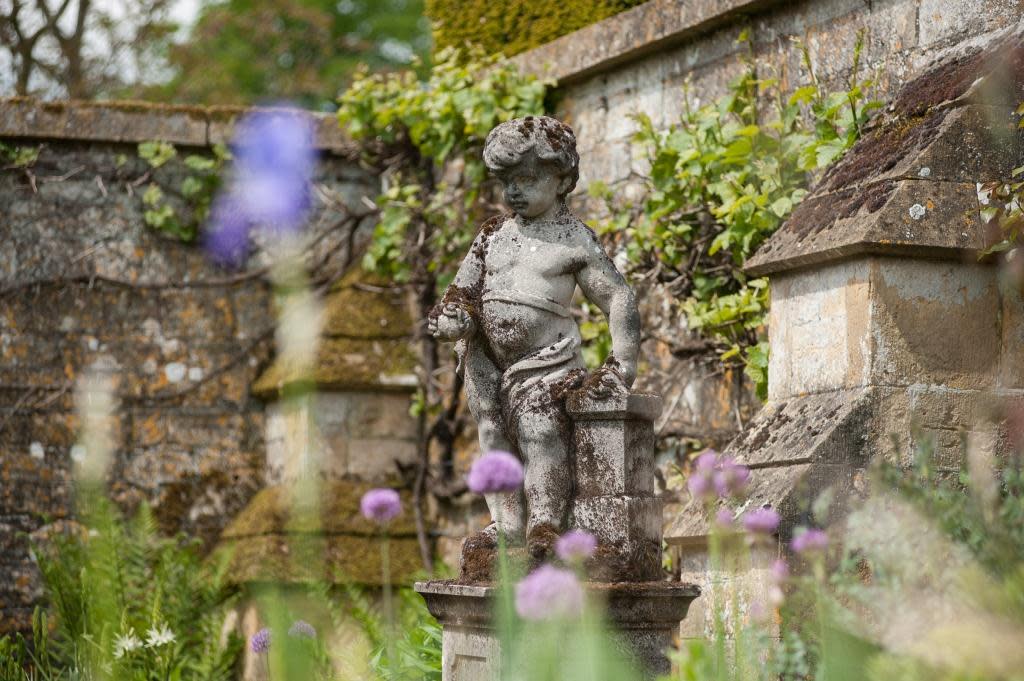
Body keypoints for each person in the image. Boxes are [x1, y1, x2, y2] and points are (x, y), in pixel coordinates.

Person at [428, 115, 641, 569]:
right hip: (487, 357)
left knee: (539, 430)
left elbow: (617, 296)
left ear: (561, 179)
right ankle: (504, 520)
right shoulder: (492, 235)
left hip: (547, 360)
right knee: (491, 433)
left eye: (526, 179)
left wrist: (621, 364)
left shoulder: (573, 240)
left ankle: (543, 521)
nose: (513, 193)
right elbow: (461, 293)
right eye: (506, 182)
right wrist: (454, 321)